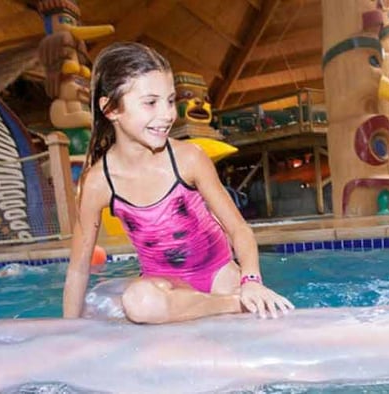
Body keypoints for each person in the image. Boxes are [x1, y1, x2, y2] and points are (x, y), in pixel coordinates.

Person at [63, 42, 294, 324]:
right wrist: (68, 331)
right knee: (139, 303)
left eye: (170, 100)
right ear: (111, 109)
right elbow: (78, 268)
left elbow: (238, 228)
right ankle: (230, 306)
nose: (167, 114)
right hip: (166, 287)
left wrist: (251, 280)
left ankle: (230, 301)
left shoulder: (188, 159)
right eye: (151, 102)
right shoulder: (99, 182)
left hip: (219, 274)